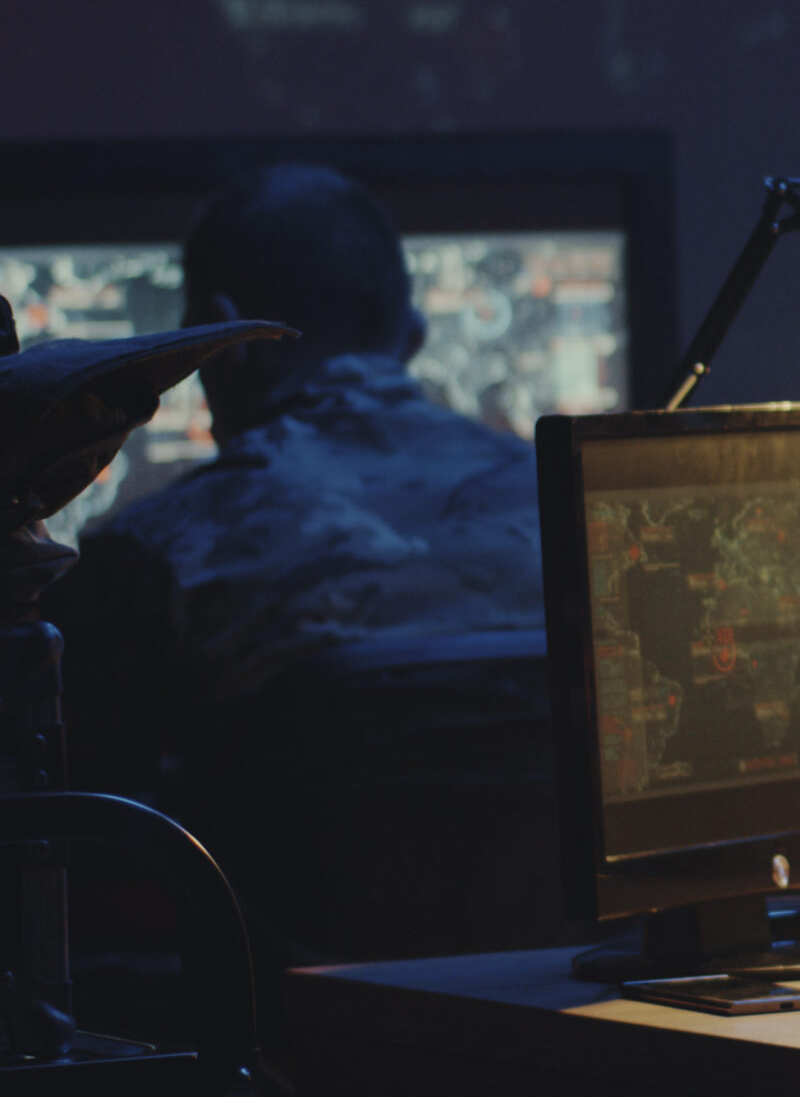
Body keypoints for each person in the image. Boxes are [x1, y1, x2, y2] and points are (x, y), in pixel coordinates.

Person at [44, 164, 554, 960]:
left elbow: (69, 850)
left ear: (222, 344)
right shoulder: (576, 514)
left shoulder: (149, 559)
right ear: (412, 335)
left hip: (298, 1045)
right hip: (581, 1032)